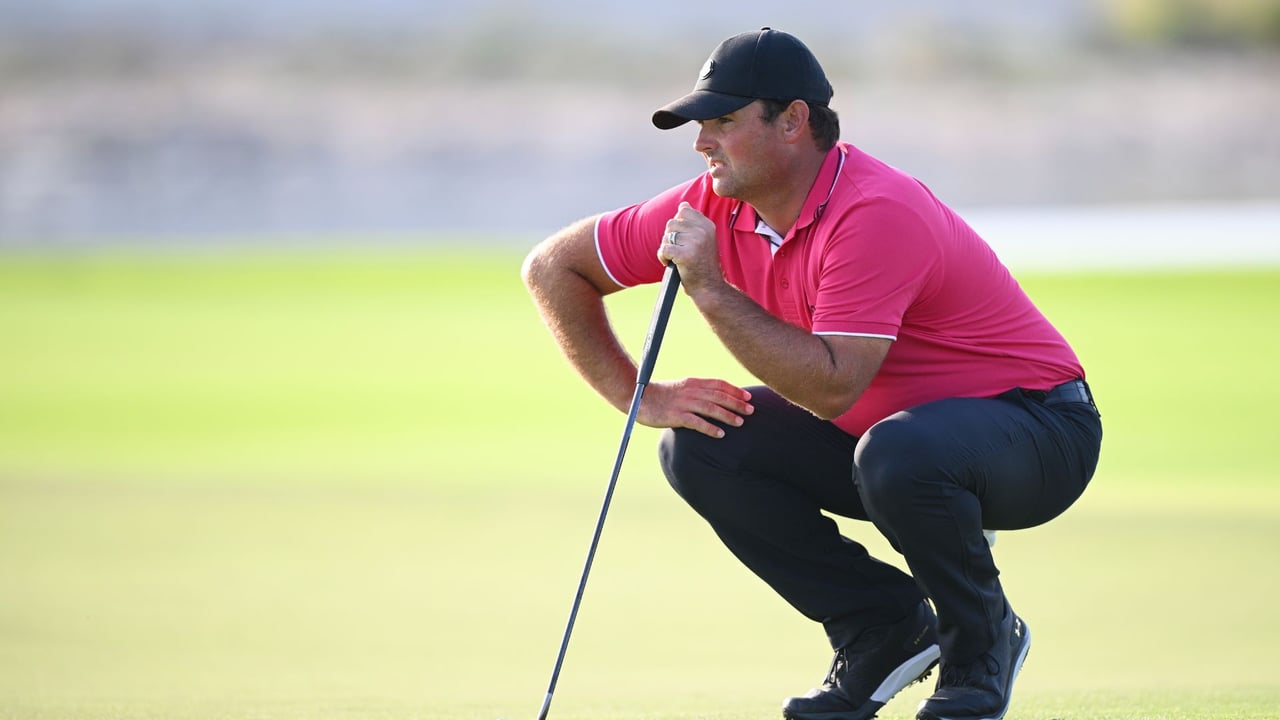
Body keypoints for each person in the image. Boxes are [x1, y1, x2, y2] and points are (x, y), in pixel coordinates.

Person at [521, 27, 1102, 720]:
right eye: (701, 125)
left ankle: (983, 642)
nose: (702, 142)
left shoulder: (873, 209)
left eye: (724, 122)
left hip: (1038, 432)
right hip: (887, 444)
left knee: (900, 452)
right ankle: (885, 626)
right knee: (704, 443)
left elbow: (832, 385)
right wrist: (637, 397)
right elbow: (553, 268)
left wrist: (707, 287)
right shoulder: (711, 203)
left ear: (793, 121)